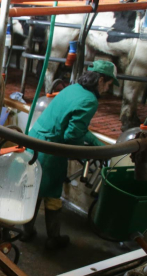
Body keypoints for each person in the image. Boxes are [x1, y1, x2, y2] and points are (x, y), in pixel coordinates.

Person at [22, 60, 118, 249]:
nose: (108, 89)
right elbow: (72, 136)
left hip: (34, 142)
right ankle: (53, 238)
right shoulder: (90, 100)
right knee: (52, 194)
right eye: (108, 84)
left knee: (33, 188)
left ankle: (26, 232)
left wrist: (95, 143)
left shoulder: (72, 88)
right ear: (101, 80)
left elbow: (76, 128)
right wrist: (85, 155)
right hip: (51, 151)